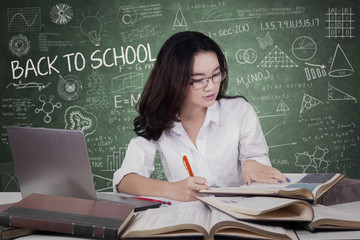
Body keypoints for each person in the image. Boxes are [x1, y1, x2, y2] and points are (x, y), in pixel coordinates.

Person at [113, 31, 289, 202]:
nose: (211, 86)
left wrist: (252, 163)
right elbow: (124, 181)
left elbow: (261, 167)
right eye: (198, 80)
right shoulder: (158, 122)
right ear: (174, 80)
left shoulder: (240, 111)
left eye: (216, 75)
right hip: (187, 221)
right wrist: (174, 190)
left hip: (238, 219)